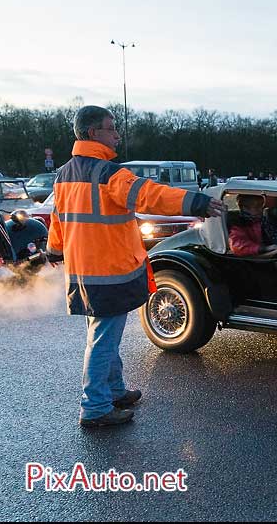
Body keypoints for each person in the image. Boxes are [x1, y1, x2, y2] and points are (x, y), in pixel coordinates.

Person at [47, 105, 225, 428]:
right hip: (108, 272)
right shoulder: (109, 175)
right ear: (92, 134)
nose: (117, 135)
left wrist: (54, 250)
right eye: (111, 128)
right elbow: (150, 196)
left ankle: (113, 391)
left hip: (83, 272)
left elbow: (58, 219)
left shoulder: (63, 174)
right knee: (103, 340)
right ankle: (95, 406)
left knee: (102, 335)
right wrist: (196, 202)